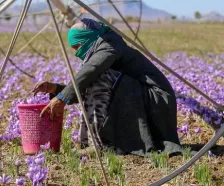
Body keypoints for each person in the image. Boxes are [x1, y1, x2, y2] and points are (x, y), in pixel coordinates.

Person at [32, 18, 182, 157]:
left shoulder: (109, 45)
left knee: (98, 75)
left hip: (157, 100)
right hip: (141, 96)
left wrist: (62, 98)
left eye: (77, 47)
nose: (77, 53)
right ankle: (105, 143)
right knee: (95, 78)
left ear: (87, 38)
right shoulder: (102, 45)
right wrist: (56, 89)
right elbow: (88, 89)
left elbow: (92, 70)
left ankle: (99, 144)